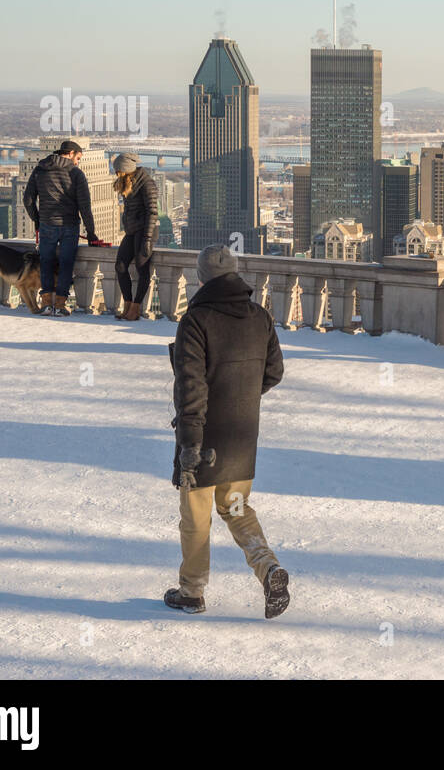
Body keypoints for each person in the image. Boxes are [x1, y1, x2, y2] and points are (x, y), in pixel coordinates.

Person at [165, 244, 288, 618]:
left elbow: (191, 387)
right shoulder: (259, 317)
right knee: (236, 508)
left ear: (201, 278)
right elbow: (274, 372)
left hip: (203, 441)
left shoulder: (196, 320)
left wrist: (189, 443)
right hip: (241, 440)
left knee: (196, 517)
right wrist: (243, 397)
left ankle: (192, 591)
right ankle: (268, 569)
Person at [22, 139, 98, 316]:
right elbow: (85, 207)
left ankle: (47, 303)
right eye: (78, 157)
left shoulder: (40, 169)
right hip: (69, 226)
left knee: (46, 263)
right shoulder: (76, 174)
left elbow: (27, 200)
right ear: (70, 154)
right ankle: (61, 305)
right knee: (66, 265)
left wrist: (37, 219)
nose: (78, 162)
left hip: (47, 224)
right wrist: (91, 233)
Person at [110, 152, 158, 321]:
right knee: (120, 266)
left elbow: (152, 212)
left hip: (146, 230)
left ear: (127, 169)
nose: (116, 174)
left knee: (141, 268)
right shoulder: (127, 182)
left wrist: (147, 238)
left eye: (118, 171)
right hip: (132, 230)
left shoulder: (146, 184)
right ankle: (128, 304)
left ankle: (135, 308)